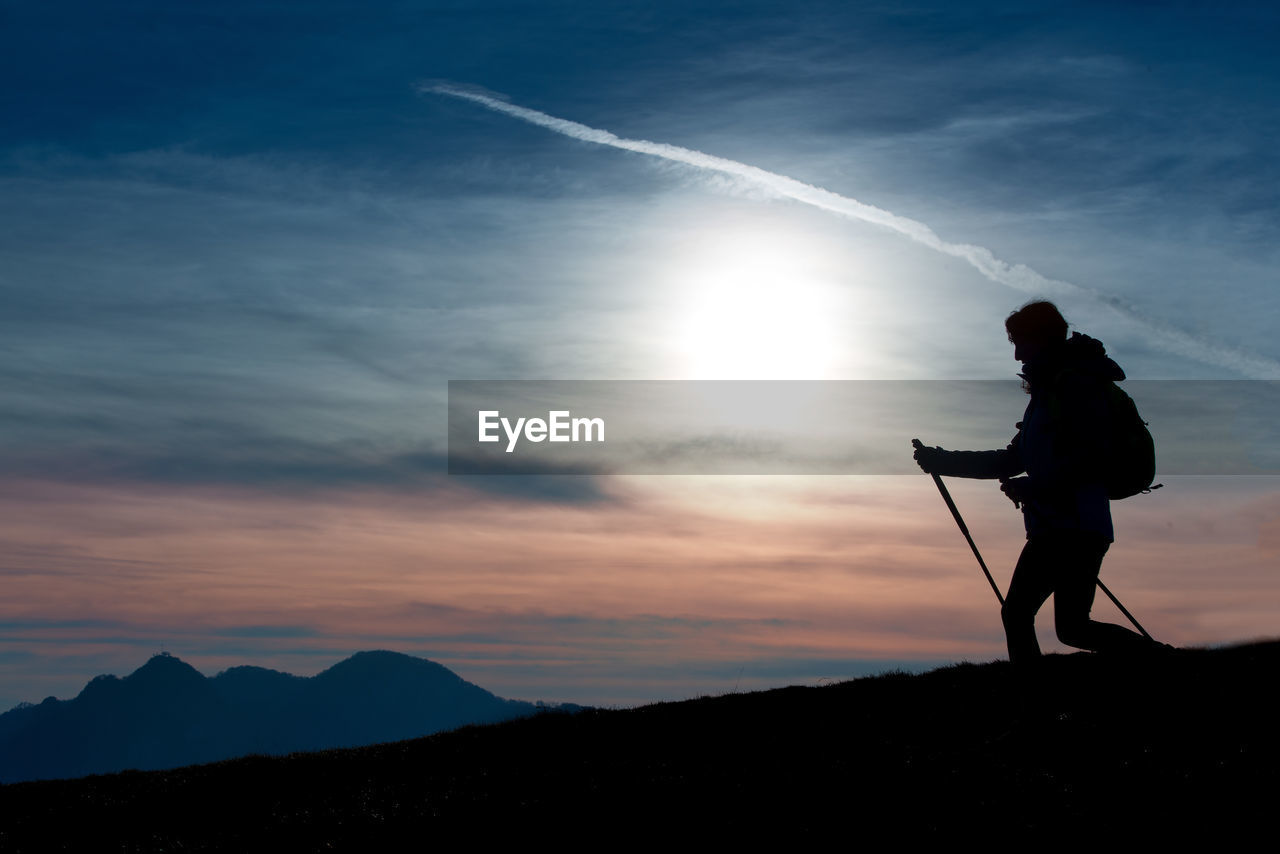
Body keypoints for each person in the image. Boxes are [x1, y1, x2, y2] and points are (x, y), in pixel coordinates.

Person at [913, 300, 1161, 663]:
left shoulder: (1074, 386)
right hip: (1073, 524)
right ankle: (1162, 659)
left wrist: (1035, 488)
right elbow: (1012, 460)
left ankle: (1034, 700)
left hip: (1071, 525)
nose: (1016, 356)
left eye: (1019, 342)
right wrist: (942, 460)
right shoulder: (1049, 394)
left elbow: (1090, 456)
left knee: (1021, 614)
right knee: (1072, 627)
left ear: (1042, 338)